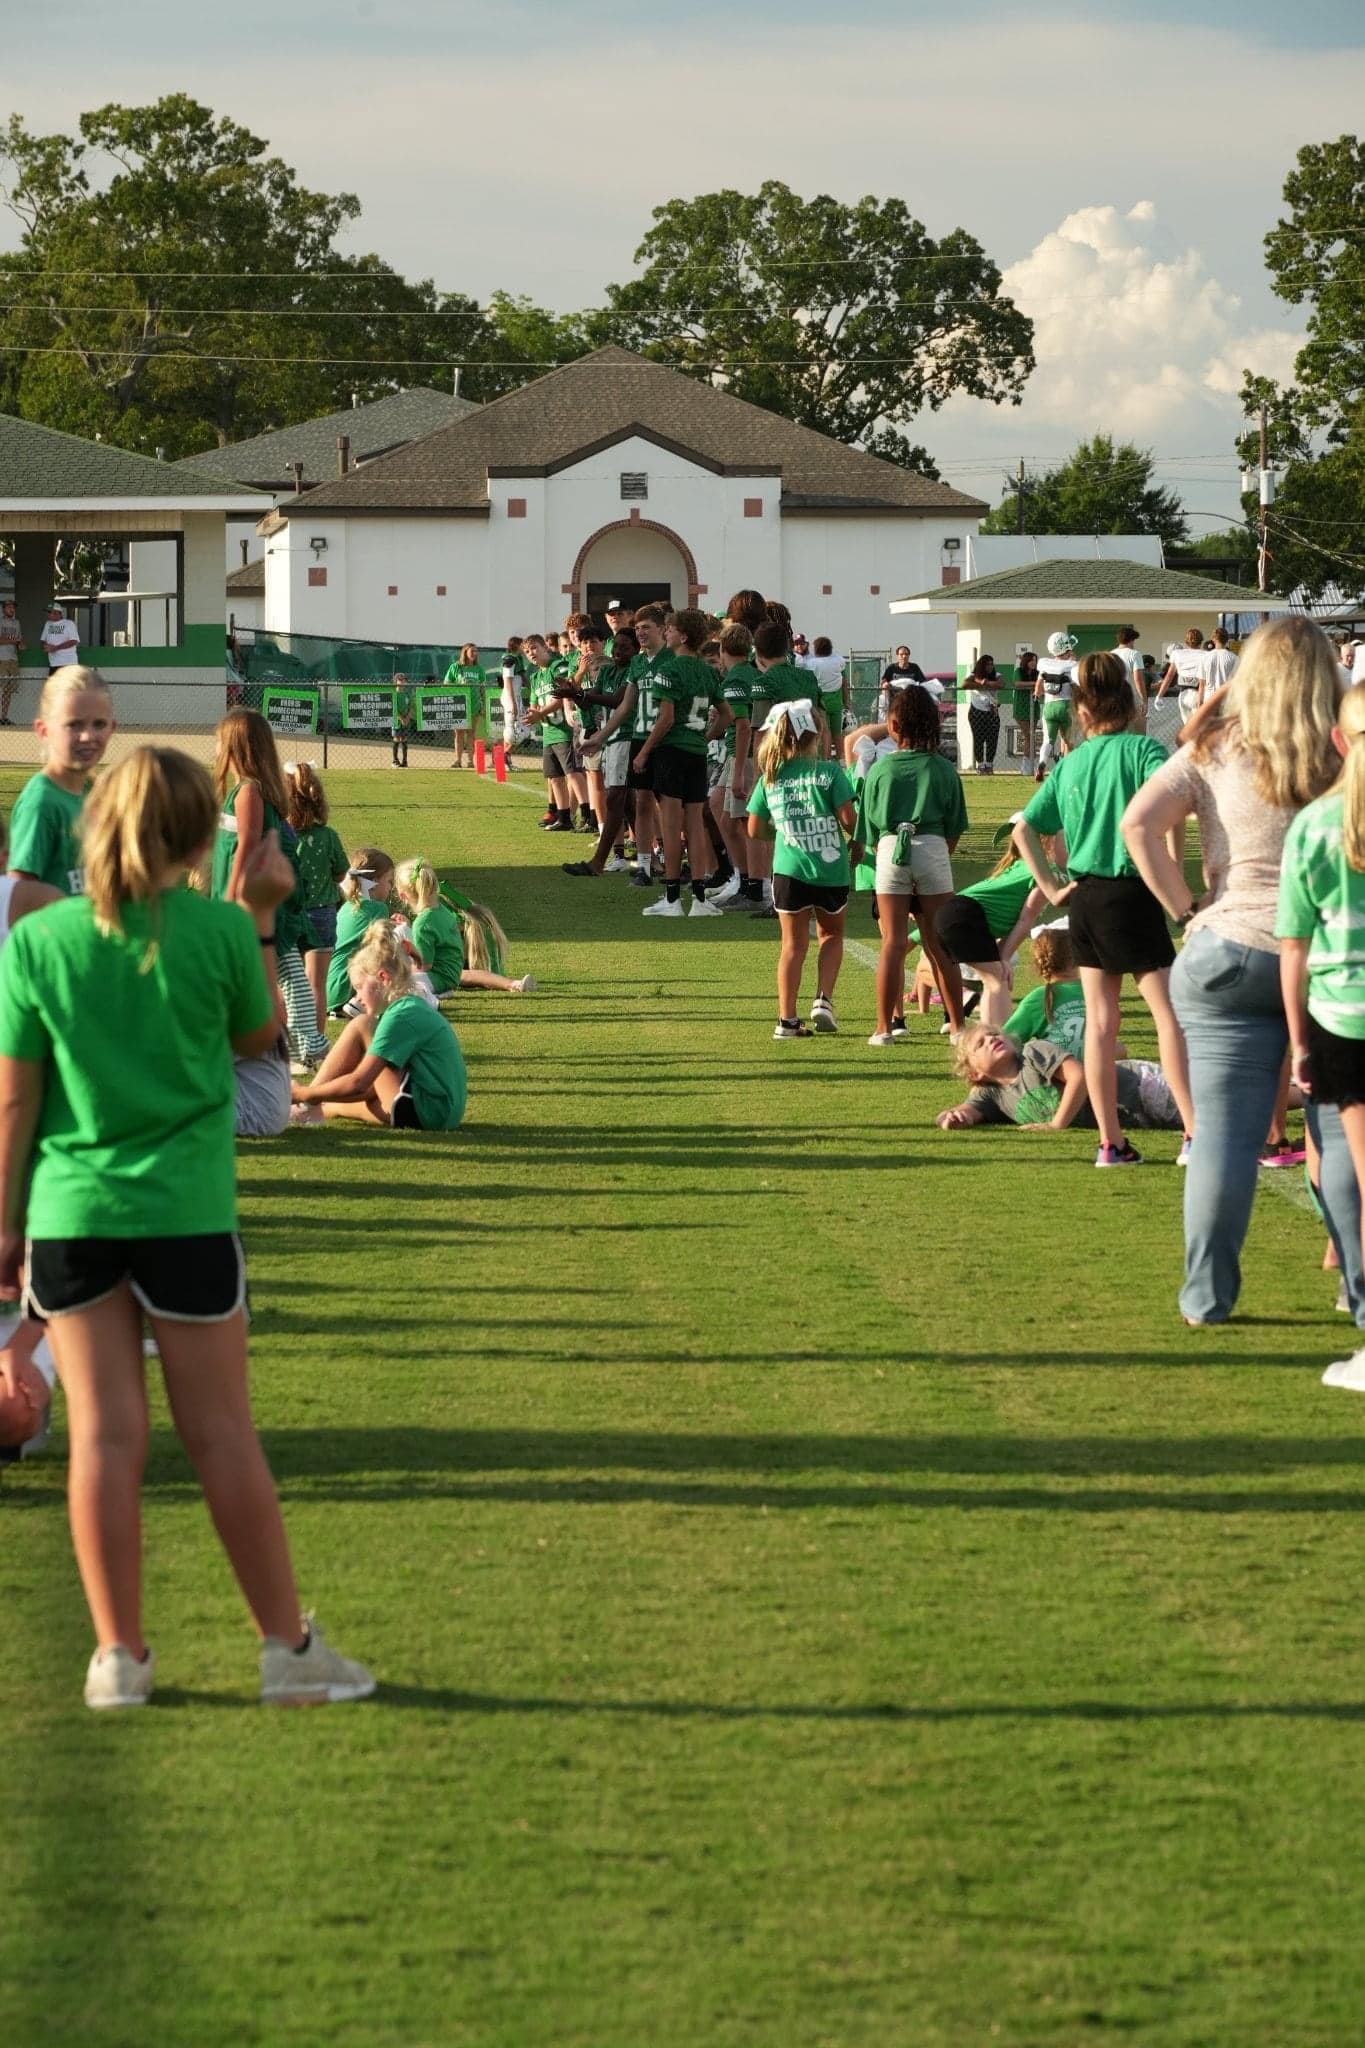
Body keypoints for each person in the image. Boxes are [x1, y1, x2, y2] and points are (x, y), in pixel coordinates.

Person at [0, 746, 373, 1709]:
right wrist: (258, 918)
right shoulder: (215, 930)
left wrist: (5, 1230)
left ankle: (117, 1656)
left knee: (102, 1440)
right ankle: (287, 1650)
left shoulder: (38, 940)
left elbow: (15, 1101)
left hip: (71, 1214)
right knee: (222, 1436)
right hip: (186, 1213)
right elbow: (257, 1039)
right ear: (194, 837)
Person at [1123, 616, 1342, 1325]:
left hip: (1229, 947)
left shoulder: (1214, 746)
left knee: (1222, 1136)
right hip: (1328, 958)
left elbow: (1138, 824)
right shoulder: (1344, 751)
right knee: (1340, 1131)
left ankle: (1205, 1297)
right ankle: (1354, 1284)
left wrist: (1186, 907)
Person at [1015, 650, 1194, 1167]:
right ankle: (1194, 1132)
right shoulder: (1143, 750)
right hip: (1132, 892)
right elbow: (1174, 802)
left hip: (1085, 898)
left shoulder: (1070, 763)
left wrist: (1051, 889)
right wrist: (1175, 871)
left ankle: (1110, 1143)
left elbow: (1025, 829)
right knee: (1169, 1016)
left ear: (1081, 710)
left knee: (1100, 1023)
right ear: (1131, 702)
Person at [1277, 682, 1365, 1388]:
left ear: (1338, 741)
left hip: (1342, 1016)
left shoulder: (1313, 826)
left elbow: (1294, 949)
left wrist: (1298, 1040)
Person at [212, 708, 326, 1071]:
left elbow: (246, 845)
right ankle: (298, 1043)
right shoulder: (253, 790)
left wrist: (230, 897)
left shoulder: (249, 791)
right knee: (280, 968)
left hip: (256, 900)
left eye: (219, 742)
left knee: (284, 969)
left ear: (236, 746)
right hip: (261, 898)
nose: (215, 749)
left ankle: (306, 1045)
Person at [854, 684, 968, 1045]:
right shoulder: (943, 768)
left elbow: (868, 829)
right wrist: (937, 853)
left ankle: (883, 1028)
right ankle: (958, 1027)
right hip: (933, 847)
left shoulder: (881, 769)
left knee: (892, 942)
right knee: (940, 942)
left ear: (893, 726)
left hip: (890, 849)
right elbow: (955, 825)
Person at [746, 700, 855, 1037]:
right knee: (831, 934)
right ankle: (823, 999)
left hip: (788, 870)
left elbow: (754, 829)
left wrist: (784, 832)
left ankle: (787, 1020)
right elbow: (849, 820)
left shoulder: (771, 778)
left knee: (792, 946)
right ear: (817, 733)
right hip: (830, 869)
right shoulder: (830, 773)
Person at [292, 925, 467, 1130]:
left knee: (362, 1024)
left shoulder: (400, 1015)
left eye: (359, 987)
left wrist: (302, 1093)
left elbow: (360, 1083)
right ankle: (310, 1108)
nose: (357, 997)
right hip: (441, 1114)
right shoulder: (410, 1006)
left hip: (424, 1110)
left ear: (383, 978)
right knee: (332, 1106)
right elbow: (371, 1087)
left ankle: (305, 1105)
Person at [635, 607, 721, 919]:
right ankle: (699, 897)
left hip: (672, 751)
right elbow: (726, 714)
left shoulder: (669, 670)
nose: (666, 633)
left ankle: (672, 897)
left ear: (682, 636)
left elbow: (666, 719)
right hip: (696, 753)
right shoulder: (708, 671)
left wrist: (644, 751)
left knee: (672, 827)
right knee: (694, 825)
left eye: (670, 629)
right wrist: (704, 737)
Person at [936, 1028, 1182, 1136]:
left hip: (1142, 1085)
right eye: (981, 1044)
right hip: (1136, 1116)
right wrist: (951, 1118)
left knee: (1202, 1117)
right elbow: (962, 1112)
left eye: (993, 1034)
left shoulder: (1033, 1053)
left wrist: (1057, 1124)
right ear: (975, 1074)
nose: (991, 1039)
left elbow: (1079, 1077)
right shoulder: (992, 1095)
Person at [8, 667, 115, 893]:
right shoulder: (41, 802)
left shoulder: (95, 792)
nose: (87, 736)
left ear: (112, 727)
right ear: (43, 730)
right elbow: (20, 894)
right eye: (74, 725)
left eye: (99, 724)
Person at [393, 857, 535, 996]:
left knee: (398, 982)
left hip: (440, 976)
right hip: (452, 970)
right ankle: (513, 984)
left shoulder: (423, 923)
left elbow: (424, 966)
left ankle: (431, 998)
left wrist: (401, 970)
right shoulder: (442, 910)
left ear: (403, 896)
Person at [566, 626, 639, 879]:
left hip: (626, 736)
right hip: (611, 738)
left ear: (635, 650)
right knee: (627, 802)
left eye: (625, 647)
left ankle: (600, 861)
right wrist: (575, 694)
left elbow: (618, 700)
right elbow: (590, 699)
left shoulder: (633, 670)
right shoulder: (608, 670)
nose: (618, 651)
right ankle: (650, 856)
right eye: (616, 646)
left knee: (617, 798)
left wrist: (580, 694)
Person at [285, 760, 349, 1037]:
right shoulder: (328, 836)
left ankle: (290, 1044)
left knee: (287, 983)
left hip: (288, 914)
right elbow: (341, 872)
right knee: (316, 985)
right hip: (322, 913)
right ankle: (315, 1043)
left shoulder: (279, 835)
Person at [707, 623, 760, 908]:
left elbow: (743, 726)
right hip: (735, 753)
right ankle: (741, 878)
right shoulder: (746, 673)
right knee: (721, 808)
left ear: (723, 648)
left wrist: (739, 771)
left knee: (745, 821)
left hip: (744, 755)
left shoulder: (737, 679)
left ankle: (755, 886)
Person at [326, 846, 395, 1013]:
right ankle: (359, 1003)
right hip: (347, 988)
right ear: (375, 882)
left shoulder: (346, 907)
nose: (391, 887)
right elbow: (385, 951)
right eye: (389, 881)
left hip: (330, 989)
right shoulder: (378, 908)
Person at [1002, 928, 1088, 1057]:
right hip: (1100, 1066)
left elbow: (1007, 1041)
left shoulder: (1038, 997)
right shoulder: (1094, 990)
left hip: (1056, 1068)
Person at [522, 631, 576, 832]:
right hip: (548, 732)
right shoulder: (536, 676)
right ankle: (563, 818)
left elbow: (562, 696)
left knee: (572, 775)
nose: (531, 653)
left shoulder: (558, 666)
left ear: (545, 647)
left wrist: (540, 713)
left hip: (563, 731)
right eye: (527, 652)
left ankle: (588, 816)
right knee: (554, 777)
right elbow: (534, 704)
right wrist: (531, 715)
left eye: (534, 648)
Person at [1034, 631, 1078, 778]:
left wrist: (1038, 694)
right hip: (1066, 706)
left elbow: (1038, 688)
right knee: (1069, 742)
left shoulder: (1044, 664)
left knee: (1048, 740)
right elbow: (1076, 688)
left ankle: (1042, 763)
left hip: (1049, 706)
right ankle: (1067, 771)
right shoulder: (1072, 665)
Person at [797, 636, 849, 752]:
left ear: (816, 649)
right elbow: (845, 684)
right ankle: (841, 758)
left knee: (825, 732)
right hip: (836, 701)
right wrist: (847, 702)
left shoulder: (810, 664)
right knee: (837, 732)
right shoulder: (838, 661)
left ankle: (826, 758)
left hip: (820, 701)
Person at [444, 643, 485, 770]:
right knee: (459, 733)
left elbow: (482, 688)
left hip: (474, 705)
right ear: (465, 652)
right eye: (472, 651)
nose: (475, 653)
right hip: (459, 706)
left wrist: (483, 704)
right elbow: (446, 684)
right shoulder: (456, 667)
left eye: (476, 651)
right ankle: (458, 760)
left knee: (471, 733)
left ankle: (470, 761)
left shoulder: (479, 669)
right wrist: (459, 687)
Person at [1157, 628, 1208, 724]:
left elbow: (1169, 676)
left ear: (1186, 641)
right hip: (1199, 693)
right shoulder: (1206, 655)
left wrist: (1159, 696)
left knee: (1187, 727)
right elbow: (1204, 681)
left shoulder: (1177, 654)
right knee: (1199, 728)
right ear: (1201, 641)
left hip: (1183, 695)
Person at [965, 655, 1001, 774]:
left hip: (992, 711)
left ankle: (989, 765)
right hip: (976, 711)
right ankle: (980, 765)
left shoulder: (997, 675)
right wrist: (980, 682)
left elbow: (1000, 684)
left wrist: (987, 683)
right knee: (978, 739)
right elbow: (965, 684)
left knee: (992, 739)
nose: (990, 667)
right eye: (987, 664)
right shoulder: (973, 675)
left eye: (991, 664)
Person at [1112, 626, 1147, 731]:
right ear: (1131, 640)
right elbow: (1138, 679)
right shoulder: (1134, 654)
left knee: (1117, 728)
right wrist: (1144, 700)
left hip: (1113, 696)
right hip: (1131, 696)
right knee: (1137, 729)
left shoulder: (1110, 654)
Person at [1011, 651, 1039, 774]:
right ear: (1026, 661)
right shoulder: (1018, 671)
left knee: (1031, 737)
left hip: (1034, 707)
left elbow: (1042, 686)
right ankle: (1027, 765)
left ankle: (1028, 766)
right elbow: (1017, 684)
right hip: (1021, 707)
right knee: (1029, 736)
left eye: (1035, 660)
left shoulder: (1037, 673)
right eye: (1031, 660)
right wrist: (1034, 684)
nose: (1034, 663)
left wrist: (1037, 685)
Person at [880, 645, 926, 718]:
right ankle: (886, 718)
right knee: (881, 699)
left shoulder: (914, 667)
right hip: (894, 697)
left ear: (909, 655)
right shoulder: (891, 668)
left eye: (906, 654)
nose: (904, 656)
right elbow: (884, 681)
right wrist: (885, 684)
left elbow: (922, 681)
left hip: (911, 697)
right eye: (901, 654)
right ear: (897, 656)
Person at [0, 599, 23, 724]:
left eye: (13, 607)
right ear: (3, 609)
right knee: (1, 687)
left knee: (8, 690)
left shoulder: (16, 623)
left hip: (13, 659)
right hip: (2, 659)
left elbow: (18, 640)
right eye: (9, 607)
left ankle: (3, 717)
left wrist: (20, 645)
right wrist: (13, 641)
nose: (11, 609)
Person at [40, 605, 79, 671]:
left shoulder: (69, 623)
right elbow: (42, 641)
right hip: (53, 663)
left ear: (57, 613)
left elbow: (74, 641)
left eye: (49, 612)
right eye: (47, 612)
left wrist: (56, 648)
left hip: (69, 663)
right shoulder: (48, 624)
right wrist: (45, 646)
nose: (47, 614)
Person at [390, 671, 415, 769]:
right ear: (396, 681)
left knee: (404, 739)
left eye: (404, 680)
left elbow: (410, 707)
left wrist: (407, 717)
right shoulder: (394, 694)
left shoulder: (407, 694)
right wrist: (401, 718)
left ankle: (405, 761)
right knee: (396, 738)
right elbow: (394, 708)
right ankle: (395, 760)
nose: (403, 682)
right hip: (396, 721)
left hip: (406, 720)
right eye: (401, 680)